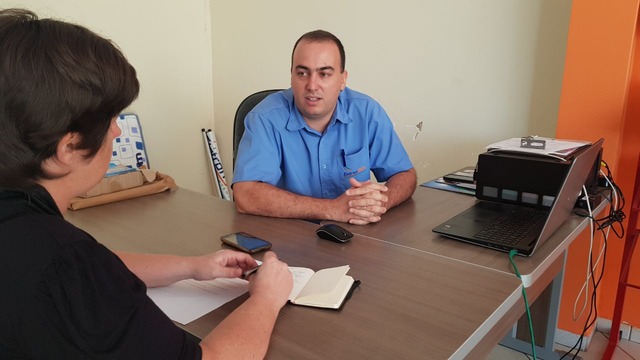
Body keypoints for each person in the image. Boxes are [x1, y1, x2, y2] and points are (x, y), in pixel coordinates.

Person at [0, 8, 292, 360]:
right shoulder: (64, 261)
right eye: (110, 119)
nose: (117, 130)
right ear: (69, 147)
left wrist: (193, 267)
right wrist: (268, 297)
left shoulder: (29, 230)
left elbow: (98, 268)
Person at [232, 30, 417, 225]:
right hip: (287, 237)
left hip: (353, 236)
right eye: (302, 73)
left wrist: (379, 203)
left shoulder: (367, 112)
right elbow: (246, 195)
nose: (312, 85)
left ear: (342, 79)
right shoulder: (264, 118)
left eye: (324, 74)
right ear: (291, 76)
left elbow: (405, 175)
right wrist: (331, 210)